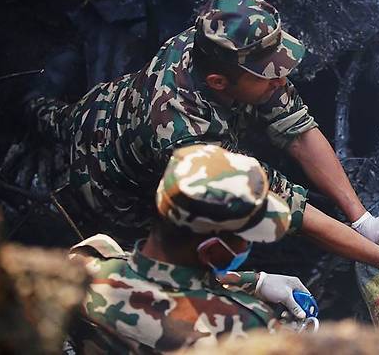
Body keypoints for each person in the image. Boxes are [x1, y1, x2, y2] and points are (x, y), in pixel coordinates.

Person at [32, 0, 379, 300]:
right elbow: (282, 207)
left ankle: (35, 105)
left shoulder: (217, 45)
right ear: (218, 83)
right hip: (110, 184)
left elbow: (296, 126)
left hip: (107, 105)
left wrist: (362, 220)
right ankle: (28, 111)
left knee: (52, 116)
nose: (281, 81)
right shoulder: (187, 138)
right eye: (268, 75)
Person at [70, 144, 317, 352]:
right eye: (246, 237)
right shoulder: (245, 329)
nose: (249, 244)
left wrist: (255, 282)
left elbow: (162, 284)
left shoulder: (85, 263)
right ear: (210, 250)